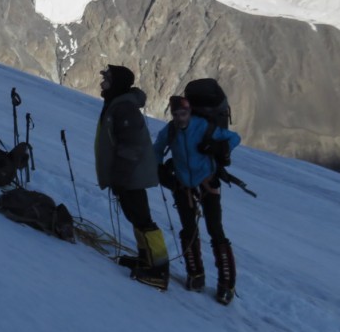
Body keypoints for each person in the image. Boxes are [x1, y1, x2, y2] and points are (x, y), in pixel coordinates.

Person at [153, 95, 242, 305]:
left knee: (214, 230)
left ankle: (225, 283)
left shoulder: (202, 127)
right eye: (176, 114)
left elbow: (234, 138)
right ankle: (197, 276)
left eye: (182, 113)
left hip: (205, 184)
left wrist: (215, 147)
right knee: (189, 229)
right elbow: (156, 149)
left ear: (189, 112)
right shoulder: (171, 130)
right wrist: (158, 167)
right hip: (185, 186)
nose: (179, 118)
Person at [94, 64, 168, 290]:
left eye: (106, 78)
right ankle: (146, 259)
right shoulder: (117, 103)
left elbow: (131, 146)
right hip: (128, 174)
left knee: (143, 219)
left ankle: (159, 269)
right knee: (136, 216)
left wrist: (120, 177)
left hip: (130, 175)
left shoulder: (123, 107)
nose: (102, 82)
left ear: (116, 83)